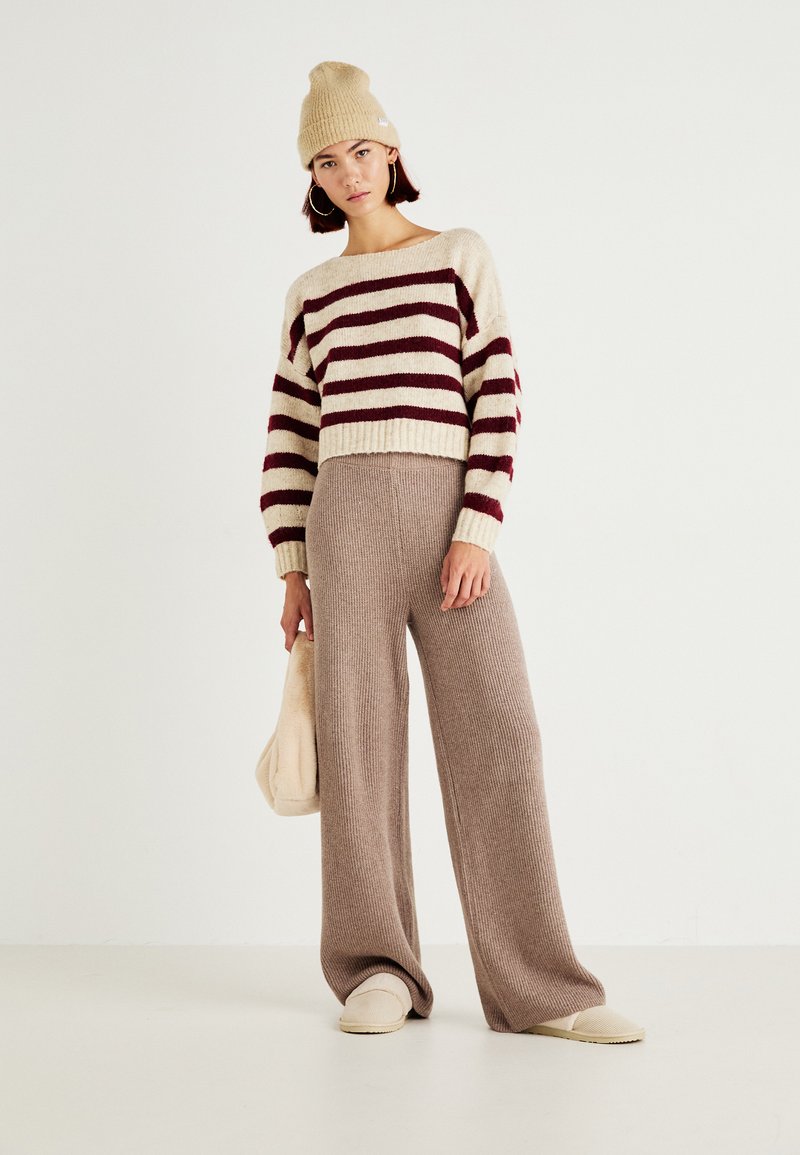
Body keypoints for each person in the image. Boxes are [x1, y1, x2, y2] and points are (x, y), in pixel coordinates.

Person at [259, 60, 645, 1044]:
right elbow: (290, 431)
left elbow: (497, 395)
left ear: (391, 150)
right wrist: (292, 564)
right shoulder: (311, 292)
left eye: (361, 149)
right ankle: (374, 968)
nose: (349, 172)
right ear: (312, 176)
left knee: (500, 734)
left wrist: (475, 527)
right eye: (326, 160)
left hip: (447, 525)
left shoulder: (458, 256)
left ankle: (541, 986)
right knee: (357, 748)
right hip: (342, 524)